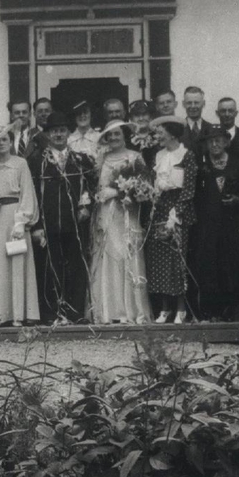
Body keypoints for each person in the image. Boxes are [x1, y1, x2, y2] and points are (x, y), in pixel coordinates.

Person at [30, 111, 96, 323]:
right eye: (54, 131)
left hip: (75, 224)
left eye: (62, 130)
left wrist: (85, 205)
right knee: (50, 267)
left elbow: (89, 187)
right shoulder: (36, 161)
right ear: (48, 134)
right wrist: (37, 224)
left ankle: (75, 313)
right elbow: (31, 194)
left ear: (69, 133)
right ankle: (51, 313)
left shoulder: (81, 160)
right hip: (48, 224)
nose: (58, 134)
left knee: (76, 267)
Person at [0, 125, 42, 326]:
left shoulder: (21, 164)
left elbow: (28, 193)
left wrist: (22, 221)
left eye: (4, 140)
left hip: (15, 217)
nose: (1, 143)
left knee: (16, 262)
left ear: (10, 142)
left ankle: (18, 314)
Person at [89, 120, 153, 324]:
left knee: (127, 255)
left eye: (117, 134)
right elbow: (96, 187)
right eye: (110, 135)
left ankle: (131, 311)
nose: (114, 138)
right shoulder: (102, 160)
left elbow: (144, 188)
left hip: (126, 213)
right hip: (106, 214)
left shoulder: (135, 158)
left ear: (124, 135)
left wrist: (118, 192)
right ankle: (109, 311)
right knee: (108, 256)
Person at [192, 125, 239, 320]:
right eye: (210, 141)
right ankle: (213, 312)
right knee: (210, 266)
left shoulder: (238, 165)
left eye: (218, 140)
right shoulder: (201, 167)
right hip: (208, 226)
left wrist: (237, 199)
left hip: (232, 226)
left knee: (232, 265)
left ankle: (233, 310)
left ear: (226, 142)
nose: (215, 144)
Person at [146, 117, 198, 323]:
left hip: (179, 212)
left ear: (173, 134)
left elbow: (188, 190)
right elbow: (154, 184)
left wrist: (175, 214)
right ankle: (165, 308)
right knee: (159, 261)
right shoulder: (158, 156)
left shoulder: (187, 155)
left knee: (177, 260)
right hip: (159, 210)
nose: (158, 135)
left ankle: (181, 309)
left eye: (161, 132)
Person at [181, 86, 214, 156]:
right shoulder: (177, 129)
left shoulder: (211, 129)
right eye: (189, 103)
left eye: (196, 103)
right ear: (183, 104)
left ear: (203, 103)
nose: (193, 106)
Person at [127, 100, 158, 166]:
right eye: (136, 115)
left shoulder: (158, 137)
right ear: (131, 118)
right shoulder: (127, 140)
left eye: (144, 114)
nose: (141, 118)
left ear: (150, 117)